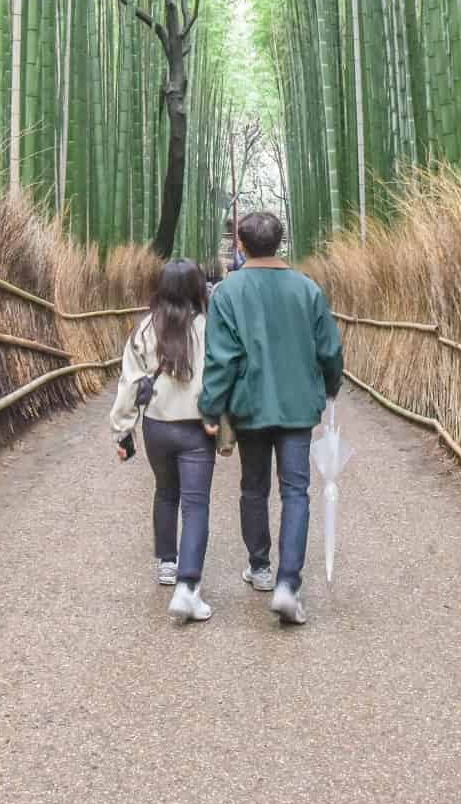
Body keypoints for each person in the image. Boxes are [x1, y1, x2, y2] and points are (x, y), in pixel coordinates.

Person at [198, 211, 344, 626]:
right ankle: (287, 584)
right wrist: (330, 385)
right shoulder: (307, 288)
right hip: (298, 407)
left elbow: (220, 359)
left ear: (240, 246)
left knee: (254, 487)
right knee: (296, 491)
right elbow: (329, 348)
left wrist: (211, 407)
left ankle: (260, 567)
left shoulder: (228, 292)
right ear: (280, 243)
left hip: (250, 405)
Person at [110, 259, 217, 623]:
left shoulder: (144, 329)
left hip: (156, 425)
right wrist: (222, 422)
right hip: (196, 428)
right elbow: (216, 380)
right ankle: (188, 587)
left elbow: (130, 382)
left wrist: (122, 429)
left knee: (166, 493)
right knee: (196, 504)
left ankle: (167, 564)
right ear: (197, 289)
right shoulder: (207, 328)